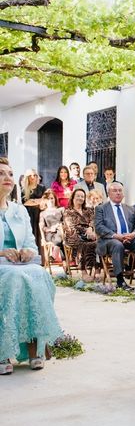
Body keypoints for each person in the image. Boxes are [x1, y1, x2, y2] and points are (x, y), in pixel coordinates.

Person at [0, 157, 62, 374]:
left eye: (9, 173)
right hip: (2, 265)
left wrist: (28, 252)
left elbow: (31, 244)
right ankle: (2, 350)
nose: (7, 178)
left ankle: (36, 344)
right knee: (13, 278)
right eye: (1, 174)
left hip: (19, 264)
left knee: (38, 274)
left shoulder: (19, 210)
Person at [94, 182, 135, 289]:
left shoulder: (130, 209)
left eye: (120, 191)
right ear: (109, 193)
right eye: (115, 191)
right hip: (109, 240)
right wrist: (115, 235)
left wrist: (133, 234)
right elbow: (99, 227)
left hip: (129, 239)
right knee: (117, 245)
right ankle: (120, 281)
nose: (118, 193)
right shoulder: (101, 208)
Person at [63, 189, 98, 282]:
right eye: (78, 196)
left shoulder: (89, 210)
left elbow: (93, 220)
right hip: (74, 235)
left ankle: (97, 270)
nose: (80, 198)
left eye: (82, 196)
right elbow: (72, 226)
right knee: (85, 244)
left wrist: (90, 229)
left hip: (90, 234)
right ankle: (84, 271)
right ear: (73, 197)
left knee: (98, 243)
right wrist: (86, 230)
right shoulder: (68, 212)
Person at [21, 168, 46, 251]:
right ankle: (31, 252)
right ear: (27, 177)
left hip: (40, 213)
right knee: (31, 233)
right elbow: (25, 202)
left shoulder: (42, 188)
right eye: (30, 175)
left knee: (40, 234)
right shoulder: (24, 189)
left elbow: (44, 200)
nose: (33, 177)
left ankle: (41, 257)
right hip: (29, 213)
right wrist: (37, 201)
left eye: (35, 175)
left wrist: (32, 200)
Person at [39, 189, 64, 263]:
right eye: (48, 198)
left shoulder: (61, 209)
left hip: (61, 232)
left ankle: (54, 255)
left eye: (52, 198)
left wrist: (58, 226)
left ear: (55, 199)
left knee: (60, 232)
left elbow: (65, 222)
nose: (50, 200)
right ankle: (64, 261)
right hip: (50, 235)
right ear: (45, 200)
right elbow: (42, 227)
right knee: (61, 238)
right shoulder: (43, 213)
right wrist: (50, 229)